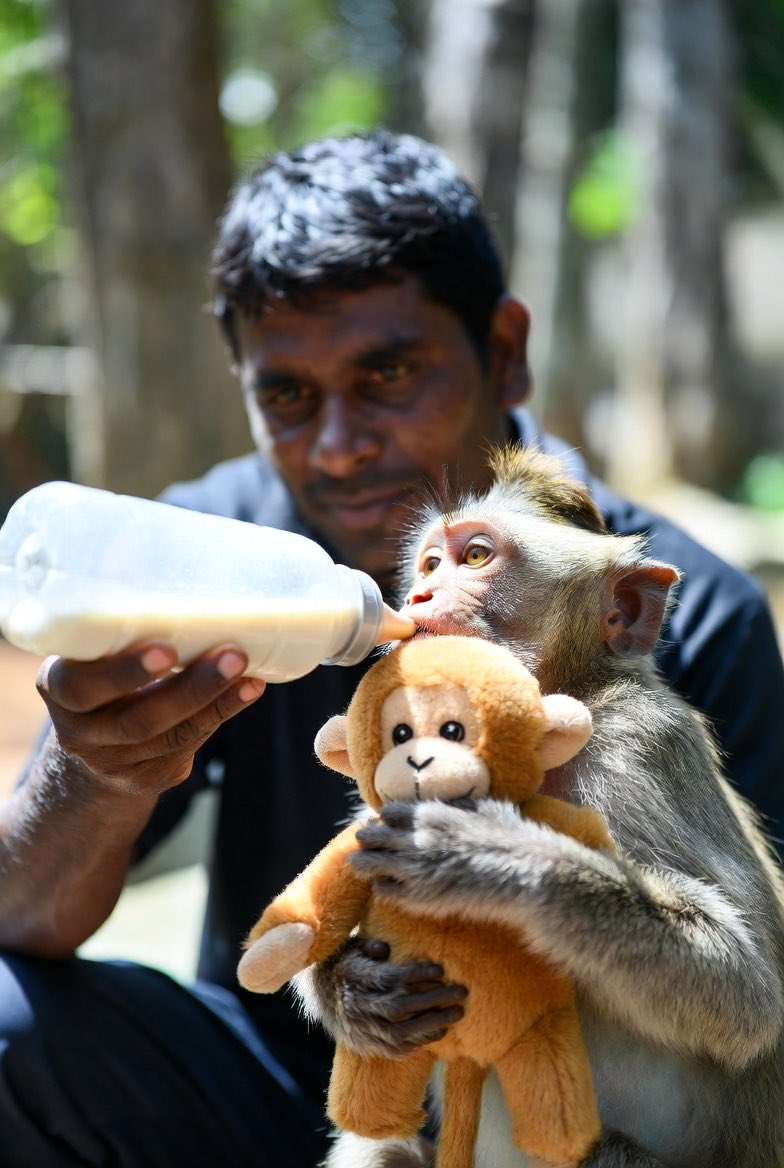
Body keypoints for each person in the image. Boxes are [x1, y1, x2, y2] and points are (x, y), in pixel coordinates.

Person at [0, 129, 782, 1168]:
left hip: (601, 1124)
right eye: (287, 394)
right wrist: (94, 760)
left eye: (388, 373)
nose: (337, 444)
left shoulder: (652, 610)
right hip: (306, 1085)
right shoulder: (211, 559)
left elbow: (744, 1016)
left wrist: (529, 873)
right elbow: (21, 915)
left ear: (504, 350)